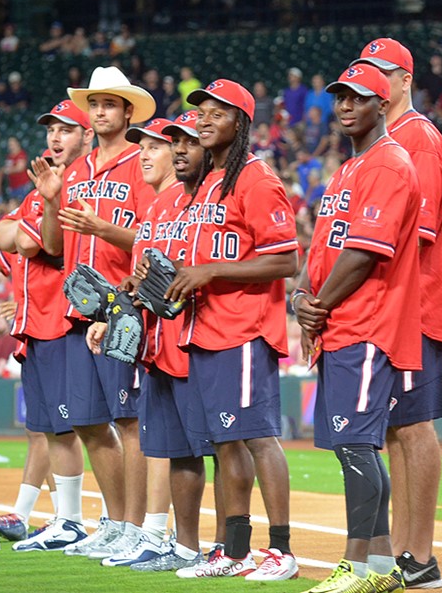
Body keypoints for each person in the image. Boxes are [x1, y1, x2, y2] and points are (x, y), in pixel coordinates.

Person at [161, 79, 299, 580]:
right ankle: (234, 550)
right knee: (224, 444)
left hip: (243, 329)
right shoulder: (208, 184)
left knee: (259, 438)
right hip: (204, 331)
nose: (201, 120)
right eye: (200, 111)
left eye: (216, 113)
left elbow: (285, 259)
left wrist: (210, 273)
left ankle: (281, 551)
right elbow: (204, 259)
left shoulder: (257, 178)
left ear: (239, 121)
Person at [293, 62, 422, 593]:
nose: (345, 106)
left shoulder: (390, 164)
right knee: (357, 446)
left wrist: (317, 303)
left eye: (358, 98)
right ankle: (384, 568)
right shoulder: (347, 168)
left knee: (357, 446)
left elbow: (366, 254)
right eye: (340, 97)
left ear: (383, 104)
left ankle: (355, 567)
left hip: (368, 324)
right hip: (340, 324)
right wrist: (301, 295)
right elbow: (324, 246)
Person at [30, 66, 159, 559]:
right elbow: (53, 247)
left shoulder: (141, 163)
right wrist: (49, 201)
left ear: (128, 111)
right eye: (95, 104)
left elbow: (153, 238)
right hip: (78, 311)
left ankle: (139, 526)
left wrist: (103, 229)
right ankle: (115, 520)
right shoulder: (77, 173)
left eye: (110, 103)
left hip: (125, 309)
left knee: (129, 422)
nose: (101, 111)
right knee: (87, 423)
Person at [95, 111, 225, 573]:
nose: (143, 154)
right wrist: (114, 315)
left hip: (196, 341)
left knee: (219, 447)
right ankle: (183, 546)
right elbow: (141, 281)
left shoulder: (201, 200)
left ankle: (228, 548)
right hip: (158, 347)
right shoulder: (156, 209)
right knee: (176, 452)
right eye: (144, 146)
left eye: (155, 145)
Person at [0, 100, 96, 550]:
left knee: (72, 426)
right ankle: (47, 518)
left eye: (66, 129)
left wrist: (28, 226)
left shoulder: (80, 188)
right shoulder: (38, 191)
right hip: (35, 325)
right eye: (51, 130)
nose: (55, 137)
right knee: (45, 427)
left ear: (87, 136)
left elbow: (34, 240)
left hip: (63, 322)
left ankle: (74, 520)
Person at [351, 38, 442, 589]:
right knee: (395, 430)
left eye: (382, 73)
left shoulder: (419, 138)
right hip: (384, 309)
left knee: (413, 428)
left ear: (404, 79)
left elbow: (421, 233)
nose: (373, 82)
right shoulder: (381, 142)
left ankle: (420, 555)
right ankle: (401, 553)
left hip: (412, 307)